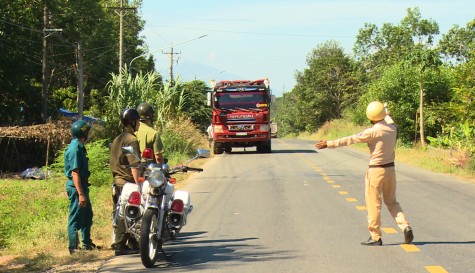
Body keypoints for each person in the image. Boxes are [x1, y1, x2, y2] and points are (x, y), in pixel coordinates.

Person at [315, 101, 413, 246]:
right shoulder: (392, 128)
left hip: (376, 171)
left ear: (370, 116)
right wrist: (385, 110)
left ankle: (375, 237)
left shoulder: (371, 132)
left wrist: (329, 143)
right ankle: (405, 226)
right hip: (390, 170)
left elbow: (351, 139)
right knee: (392, 202)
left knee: (373, 204)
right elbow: (389, 118)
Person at [109, 108, 142, 255]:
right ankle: (120, 245)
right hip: (127, 182)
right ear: (132, 122)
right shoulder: (132, 140)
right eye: (138, 121)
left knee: (121, 211)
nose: (139, 123)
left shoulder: (118, 138)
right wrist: (139, 184)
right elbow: (134, 165)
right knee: (128, 212)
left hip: (117, 180)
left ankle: (133, 242)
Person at [64, 119, 96, 254]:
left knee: (87, 215)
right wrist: (81, 194)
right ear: (84, 134)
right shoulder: (75, 149)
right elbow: (75, 173)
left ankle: (87, 244)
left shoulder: (79, 146)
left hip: (82, 185)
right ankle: (73, 248)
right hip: (77, 187)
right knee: (76, 217)